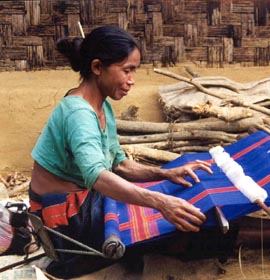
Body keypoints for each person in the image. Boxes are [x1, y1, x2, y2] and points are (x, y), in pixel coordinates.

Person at [28, 25, 212, 277]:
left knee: (177, 201)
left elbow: (120, 164)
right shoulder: (79, 114)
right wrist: (161, 203)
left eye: (134, 71)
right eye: (127, 70)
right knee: (169, 220)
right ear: (97, 68)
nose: (132, 80)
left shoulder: (102, 107)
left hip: (84, 202)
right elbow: (98, 176)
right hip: (65, 221)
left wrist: (165, 174)